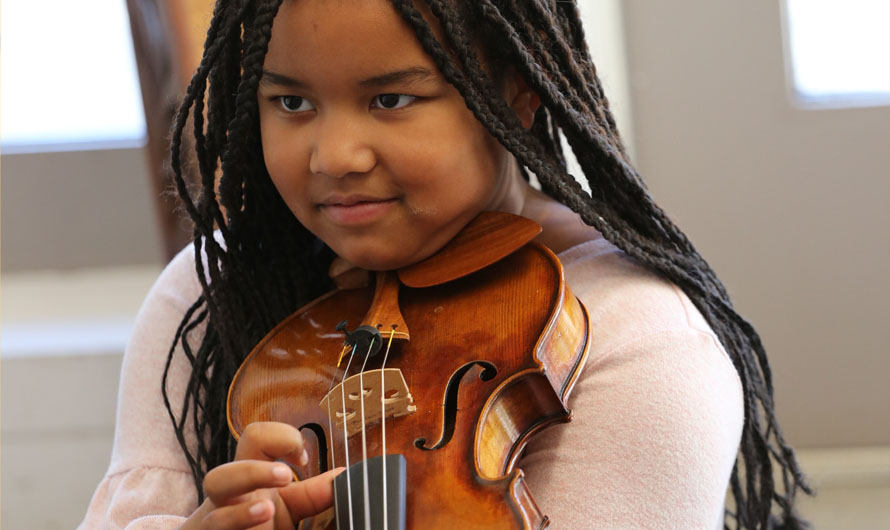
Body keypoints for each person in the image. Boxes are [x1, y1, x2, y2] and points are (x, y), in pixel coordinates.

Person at [80, 0, 811, 528]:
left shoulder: (637, 337)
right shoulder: (210, 292)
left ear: (516, 94)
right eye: (292, 101)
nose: (334, 157)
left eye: (391, 98)